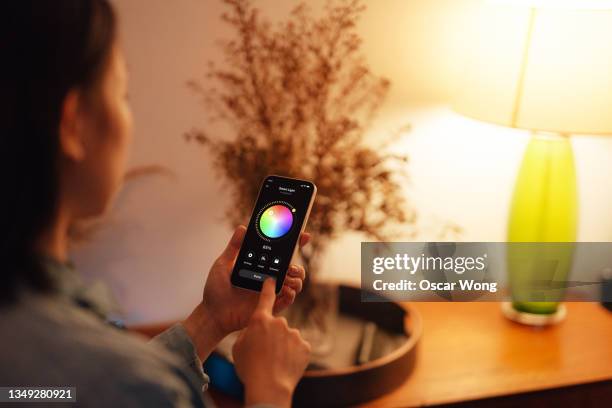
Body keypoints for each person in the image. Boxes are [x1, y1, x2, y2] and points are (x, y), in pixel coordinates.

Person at [0, 1, 311, 407]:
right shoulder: (128, 381)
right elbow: (117, 385)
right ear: (74, 124)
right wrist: (271, 388)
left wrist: (211, 319)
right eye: (123, 93)